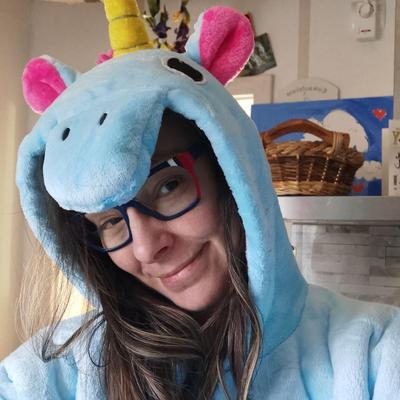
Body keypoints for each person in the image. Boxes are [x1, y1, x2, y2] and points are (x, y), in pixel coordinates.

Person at [1, 1, 400, 399]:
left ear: (231, 173)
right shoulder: (56, 371)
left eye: (168, 185)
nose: (146, 249)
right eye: (110, 221)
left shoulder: (375, 354)